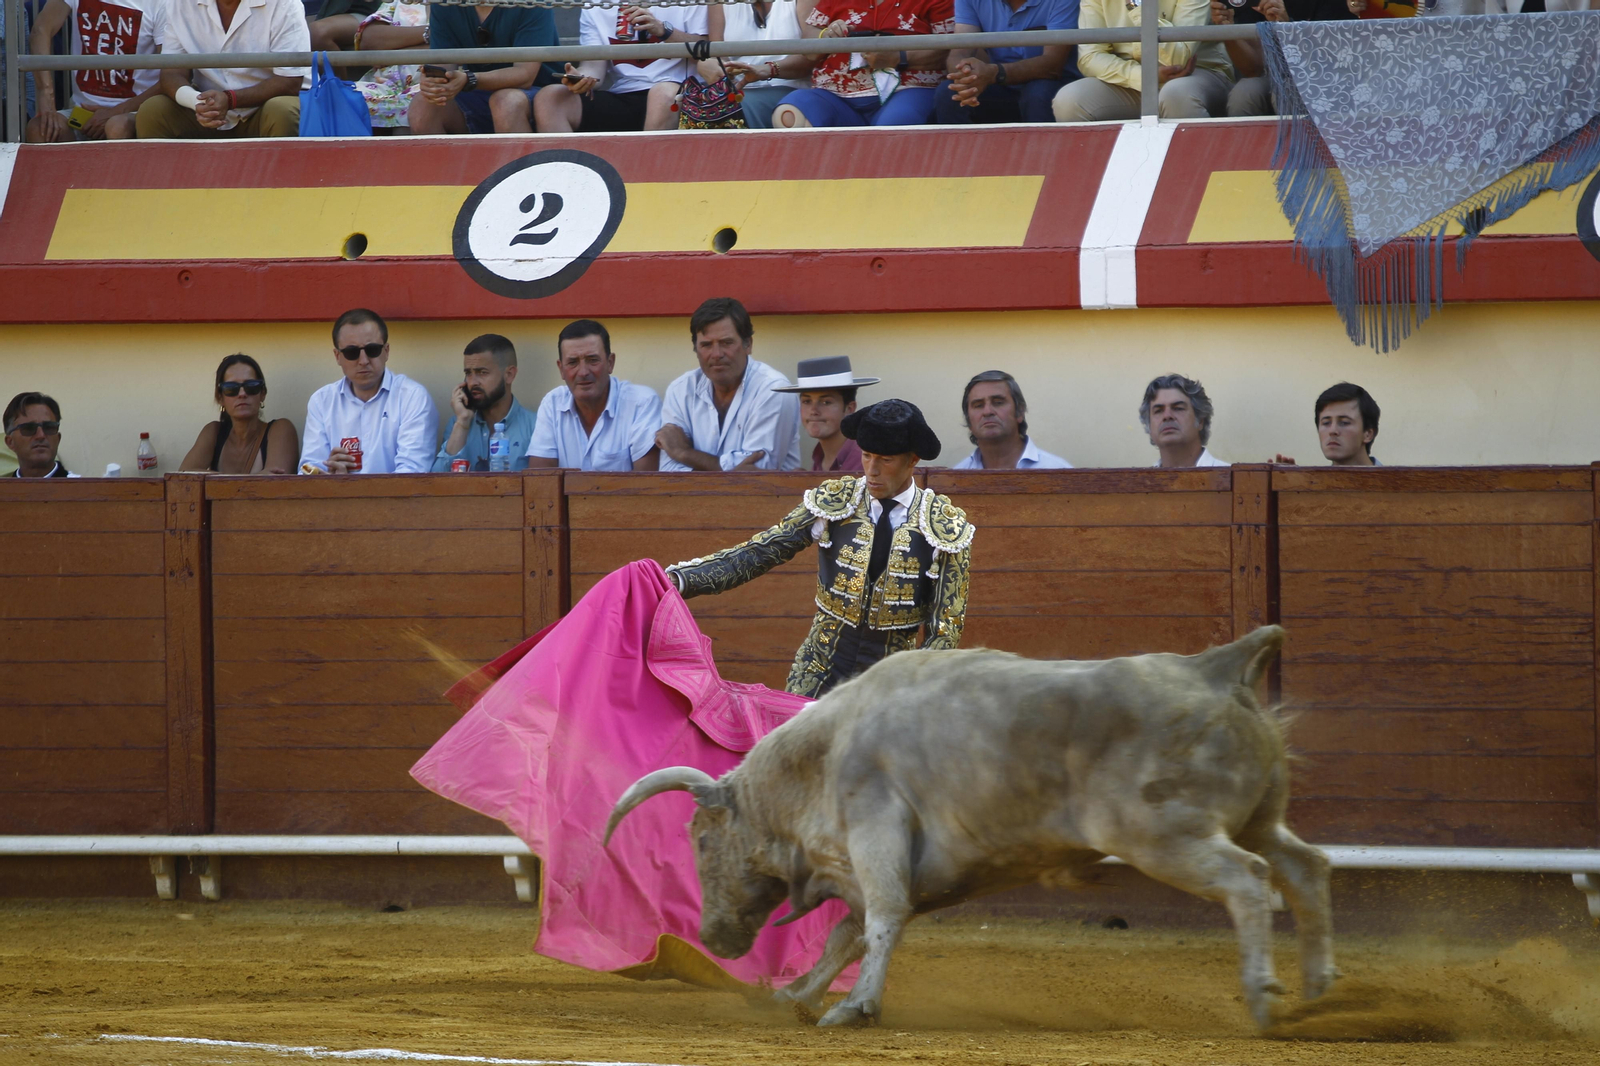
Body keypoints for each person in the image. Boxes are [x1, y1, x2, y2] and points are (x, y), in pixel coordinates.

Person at [666, 398, 974, 697]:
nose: (872, 470)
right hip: (821, 665)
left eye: (886, 460)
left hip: (893, 681)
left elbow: (944, 630)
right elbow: (759, 552)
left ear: (912, 460)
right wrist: (680, 580)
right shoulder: (834, 502)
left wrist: (917, 694)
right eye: (866, 455)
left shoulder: (944, 527)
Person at [656, 298, 802, 472]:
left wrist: (683, 453)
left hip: (763, 499)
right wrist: (730, 471)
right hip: (694, 499)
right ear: (695, 349)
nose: (716, 354)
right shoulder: (680, 390)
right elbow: (669, 471)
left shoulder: (774, 389)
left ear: (748, 344)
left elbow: (758, 472)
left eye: (726, 343)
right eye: (706, 345)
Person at [135, 0, 309, 139]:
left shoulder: (285, 4)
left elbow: (290, 81)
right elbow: (171, 72)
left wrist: (230, 100)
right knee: (153, 111)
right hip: (206, 112)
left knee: (282, 111)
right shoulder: (179, 4)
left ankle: (280, 183)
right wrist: (197, 103)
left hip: (264, 109)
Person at [769, 0, 955, 128]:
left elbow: (949, 49)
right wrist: (825, 36)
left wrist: (898, 58)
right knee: (789, 113)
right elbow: (809, 40)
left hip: (907, 90)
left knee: (893, 129)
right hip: (835, 95)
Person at [300, 308, 439, 474]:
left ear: (386, 351)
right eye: (352, 353)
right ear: (337, 356)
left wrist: (350, 488)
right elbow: (308, 470)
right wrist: (329, 478)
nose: (363, 361)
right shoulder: (322, 401)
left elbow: (412, 474)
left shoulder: (412, 397)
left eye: (372, 350)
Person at [533, 4, 708, 133]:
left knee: (661, 94)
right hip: (624, 94)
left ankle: (648, 178)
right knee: (550, 98)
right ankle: (571, 177)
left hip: (679, 94)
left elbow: (709, 51)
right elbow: (594, 66)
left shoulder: (688, 4)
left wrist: (664, 31)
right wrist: (581, 78)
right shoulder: (597, 6)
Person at [1052, 0, 1232, 122]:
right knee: (1069, 101)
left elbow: (1179, 58)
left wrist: (1136, 5)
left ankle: (1191, 174)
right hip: (1131, 82)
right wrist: (1144, 76)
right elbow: (1089, 57)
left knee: (1175, 95)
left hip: (1197, 75)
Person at [526, 320, 662, 472]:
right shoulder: (552, 403)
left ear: (610, 363)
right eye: (572, 362)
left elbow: (646, 486)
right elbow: (539, 482)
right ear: (561, 369)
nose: (583, 372)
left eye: (592, 360)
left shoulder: (641, 403)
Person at [407, 1, 560, 135]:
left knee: (506, 103)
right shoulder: (444, 4)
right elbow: (443, 65)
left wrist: (469, 79)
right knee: (422, 105)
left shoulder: (533, 3)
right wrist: (435, 83)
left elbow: (525, 75)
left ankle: (522, 167)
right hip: (476, 93)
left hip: (538, 94)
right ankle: (449, 168)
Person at [25, 0, 164, 142]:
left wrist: (114, 112)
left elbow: (170, 76)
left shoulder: (161, 4)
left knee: (117, 127)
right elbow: (41, 30)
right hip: (82, 113)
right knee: (39, 130)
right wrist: (46, 94)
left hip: (133, 112)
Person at [936, 0, 1077, 125]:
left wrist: (994, 73)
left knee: (1038, 94)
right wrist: (966, 74)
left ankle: (1043, 153)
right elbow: (959, 52)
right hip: (999, 84)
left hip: (1054, 83)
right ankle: (959, 154)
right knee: (950, 92)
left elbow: (1052, 65)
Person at [1213, 0, 1352, 118]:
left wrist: (1285, 26)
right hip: (1272, 74)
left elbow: (1326, 60)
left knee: (1285, 92)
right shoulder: (1249, 6)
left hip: (1322, 75)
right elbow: (1253, 70)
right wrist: (1226, 29)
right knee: (1244, 93)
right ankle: (1246, 148)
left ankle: (1297, 149)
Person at [178, 354, 300, 474]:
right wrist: (256, 479)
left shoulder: (280, 429)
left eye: (251, 386)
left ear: (262, 394)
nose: (242, 394)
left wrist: (212, 479)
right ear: (220, 398)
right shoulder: (213, 432)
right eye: (231, 388)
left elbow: (277, 485)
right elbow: (182, 478)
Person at [434, 334, 536, 472]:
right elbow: (436, 483)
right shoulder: (457, 424)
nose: (472, 382)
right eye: (468, 373)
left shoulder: (534, 427)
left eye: (482, 372)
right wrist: (463, 423)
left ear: (509, 375)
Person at [706, 0, 809, 129]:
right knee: (701, 105)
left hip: (790, 88)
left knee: (728, 109)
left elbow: (811, 56)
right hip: (738, 90)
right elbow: (718, 53)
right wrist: (720, 69)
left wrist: (768, 70)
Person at [773, 356, 878, 473]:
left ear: (849, 408)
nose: (813, 411)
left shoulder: (865, 460)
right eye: (807, 401)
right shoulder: (819, 456)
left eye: (825, 402)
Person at [951, 370, 1071, 470]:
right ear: (968, 420)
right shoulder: (954, 482)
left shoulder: (1058, 472)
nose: (987, 411)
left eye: (998, 403)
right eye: (978, 405)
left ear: (1020, 412)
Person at [351, 0, 429, 131]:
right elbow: (370, 40)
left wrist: (392, 51)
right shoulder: (401, 2)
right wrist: (429, 33)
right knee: (341, 100)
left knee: (412, 112)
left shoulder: (460, 4)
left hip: (428, 85)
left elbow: (453, 44)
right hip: (385, 84)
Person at [1275, 382, 1383, 466]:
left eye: (1344, 423)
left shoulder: (1395, 488)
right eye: (1326, 423)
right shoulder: (1312, 486)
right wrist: (1290, 488)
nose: (1332, 431)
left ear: (1368, 434)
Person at [1140, 373, 1228, 468]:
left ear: (1200, 420)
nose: (1167, 416)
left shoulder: (1234, 479)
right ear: (1149, 425)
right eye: (1158, 411)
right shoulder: (1140, 482)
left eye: (1178, 408)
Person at [4, 393, 78, 478]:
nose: (41, 435)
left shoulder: (85, 489)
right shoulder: (3, 490)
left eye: (49, 427)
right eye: (29, 428)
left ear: (58, 439)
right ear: (10, 442)